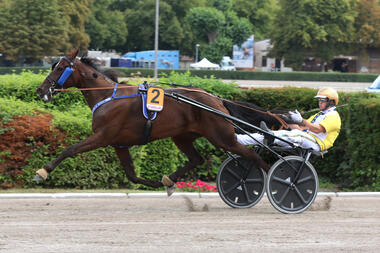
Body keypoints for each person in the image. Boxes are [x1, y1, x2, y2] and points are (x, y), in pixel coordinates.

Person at [236, 88, 341, 152]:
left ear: (331, 102)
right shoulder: (318, 115)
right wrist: (286, 120)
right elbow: (302, 128)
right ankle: (240, 139)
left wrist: (301, 120)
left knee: (293, 134)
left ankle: (270, 135)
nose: (320, 102)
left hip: (316, 143)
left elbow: (318, 129)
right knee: (272, 135)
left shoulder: (334, 116)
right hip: (305, 138)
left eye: (322, 100)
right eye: (319, 100)